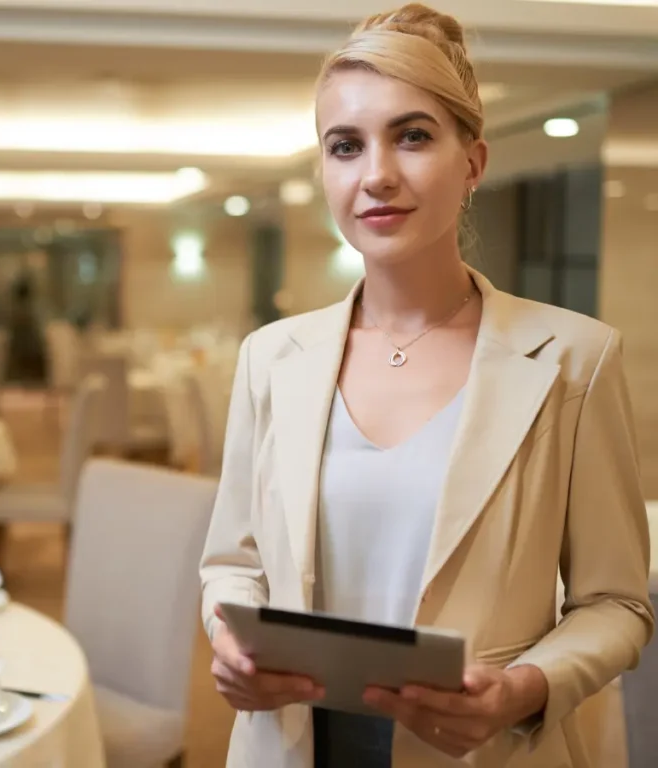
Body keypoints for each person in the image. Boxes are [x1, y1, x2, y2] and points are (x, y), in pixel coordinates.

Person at [199, 4, 654, 767]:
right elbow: (233, 563)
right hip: (292, 743)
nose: (376, 174)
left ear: (472, 163)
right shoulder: (270, 357)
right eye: (346, 146)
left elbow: (617, 604)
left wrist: (525, 687)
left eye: (411, 136)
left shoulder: (576, 358)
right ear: (325, 171)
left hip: (483, 749)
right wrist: (231, 639)